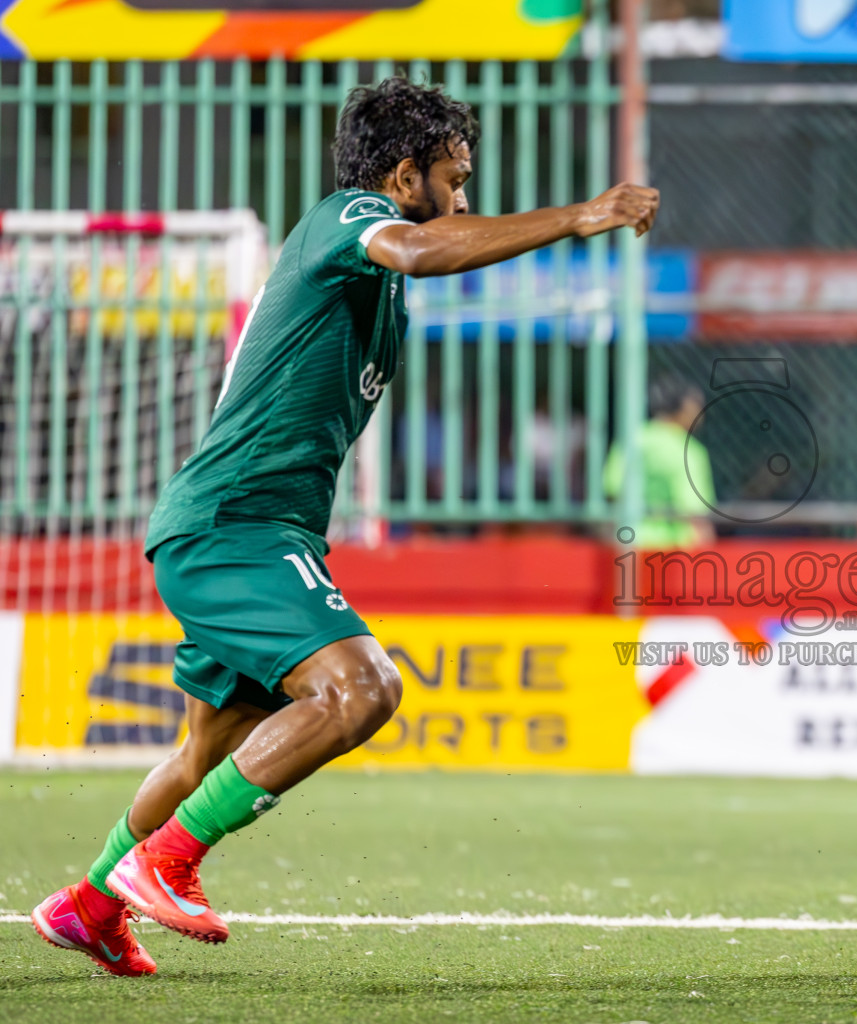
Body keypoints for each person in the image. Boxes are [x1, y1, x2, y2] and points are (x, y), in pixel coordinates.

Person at [30, 76, 660, 977]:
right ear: (407, 176)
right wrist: (578, 216)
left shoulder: (368, 272)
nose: (466, 198)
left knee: (210, 747)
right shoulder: (352, 216)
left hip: (245, 527)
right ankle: (164, 862)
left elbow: (421, 254)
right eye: (457, 176)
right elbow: (417, 247)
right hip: (236, 527)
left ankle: (90, 904)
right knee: (364, 688)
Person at [604, 375, 716, 548]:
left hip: (626, 542)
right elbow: (694, 512)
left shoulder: (629, 440)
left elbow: (613, 490)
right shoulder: (689, 451)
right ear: (685, 407)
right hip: (671, 552)